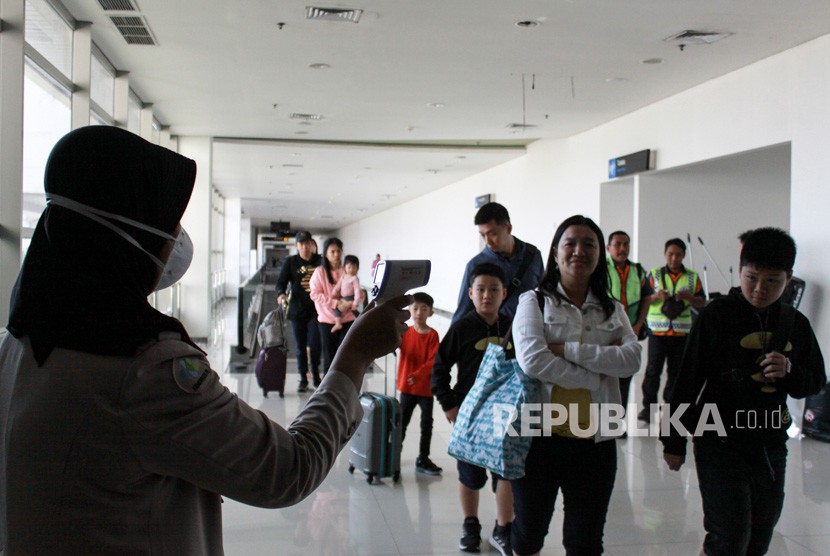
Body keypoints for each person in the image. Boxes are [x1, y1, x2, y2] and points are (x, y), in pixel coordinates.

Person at [0, 126, 412, 555]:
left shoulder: (15, 348)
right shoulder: (144, 375)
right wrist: (355, 355)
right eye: (168, 223)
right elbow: (288, 468)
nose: (178, 237)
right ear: (129, 237)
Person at [661, 227, 825, 556]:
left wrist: (789, 371)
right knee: (729, 536)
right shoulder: (716, 315)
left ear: (788, 278)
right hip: (718, 442)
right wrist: (674, 441)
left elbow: (815, 381)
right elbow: (686, 382)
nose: (759, 289)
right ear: (740, 269)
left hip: (770, 446)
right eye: (752, 277)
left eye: (772, 281)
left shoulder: (795, 323)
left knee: (761, 535)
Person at [511, 214, 641, 555]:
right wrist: (594, 374)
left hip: (596, 445)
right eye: (570, 243)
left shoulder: (613, 309)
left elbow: (631, 360)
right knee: (529, 535)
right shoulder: (533, 302)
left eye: (589, 244)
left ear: (600, 254)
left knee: (585, 542)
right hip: (540, 440)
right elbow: (533, 360)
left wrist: (568, 350)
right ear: (556, 252)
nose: (579, 251)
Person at [432, 263, 515, 555]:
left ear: (504, 293)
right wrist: (450, 406)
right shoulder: (462, 328)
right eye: (480, 289)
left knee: (506, 472)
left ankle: (504, 528)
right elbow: (439, 368)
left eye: (494, 289)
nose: (487, 295)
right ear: (470, 292)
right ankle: (470, 524)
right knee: (470, 474)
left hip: (506, 416)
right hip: (470, 413)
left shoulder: (513, 327)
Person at [638, 238, 706, 423]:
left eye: (678, 254)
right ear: (665, 254)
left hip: (681, 333)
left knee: (676, 374)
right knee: (653, 371)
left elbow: (702, 302)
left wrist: (690, 297)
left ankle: (670, 409)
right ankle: (648, 409)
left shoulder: (692, 276)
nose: (674, 258)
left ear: (683, 255)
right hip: (658, 333)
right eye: (670, 254)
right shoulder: (654, 275)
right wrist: (656, 296)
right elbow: (642, 299)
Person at [452, 202, 543, 324]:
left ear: (508, 228)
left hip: (528, 333)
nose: (487, 241)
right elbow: (463, 312)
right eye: (483, 235)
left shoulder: (533, 255)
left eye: (493, 234)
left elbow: (544, 295)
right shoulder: (475, 265)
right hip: (493, 338)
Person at [606, 230, 653, 414]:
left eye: (626, 244)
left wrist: (639, 324)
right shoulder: (600, 269)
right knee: (606, 377)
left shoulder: (638, 271)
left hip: (630, 332)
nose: (622, 248)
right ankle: (602, 421)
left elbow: (647, 298)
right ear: (608, 248)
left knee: (625, 376)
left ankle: (618, 421)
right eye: (617, 244)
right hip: (606, 333)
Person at [396, 292, 442, 476]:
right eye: (415, 308)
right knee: (402, 423)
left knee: (426, 425)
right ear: (409, 310)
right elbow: (393, 344)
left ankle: (423, 458)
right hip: (407, 388)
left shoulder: (433, 336)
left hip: (425, 390)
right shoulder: (405, 332)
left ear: (431, 313)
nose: (419, 313)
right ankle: (393, 455)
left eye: (424, 309)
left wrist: (417, 374)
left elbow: (433, 360)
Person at [276, 230, 323, 392]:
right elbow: (280, 283)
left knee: (315, 344)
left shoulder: (320, 261)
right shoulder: (291, 262)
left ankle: (316, 376)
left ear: (312, 245)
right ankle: (303, 378)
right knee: (300, 346)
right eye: (301, 244)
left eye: (307, 243)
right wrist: (281, 294)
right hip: (297, 311)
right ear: (297, 246)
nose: (305, 246)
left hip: (317, 311)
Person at [310, 238, 364, 376]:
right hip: (327, 320)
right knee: (329, 357)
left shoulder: (347, 270)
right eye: (332, 251)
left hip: (348, 319)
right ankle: (327, 389)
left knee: (346, 355)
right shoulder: (320, 272)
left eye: (338, 251)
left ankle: (344, 387)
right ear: (326, 254)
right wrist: (335, 303)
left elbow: (360, 293)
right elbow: (315, 294)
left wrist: (350, 304)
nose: (336, 254)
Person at [331, 254, 361, 332]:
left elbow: (357, 291)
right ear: (345, 267)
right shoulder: (343, 276)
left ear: (357, 268)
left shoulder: (354, 278)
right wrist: (333, 292)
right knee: (351, 311)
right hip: (343, 297)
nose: (351, 270)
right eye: (349, 267)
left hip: (350, 297)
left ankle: (338, 324)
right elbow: (338, 286)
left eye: (354, 268)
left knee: (339, 309)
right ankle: (360, 319)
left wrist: (355, 302)